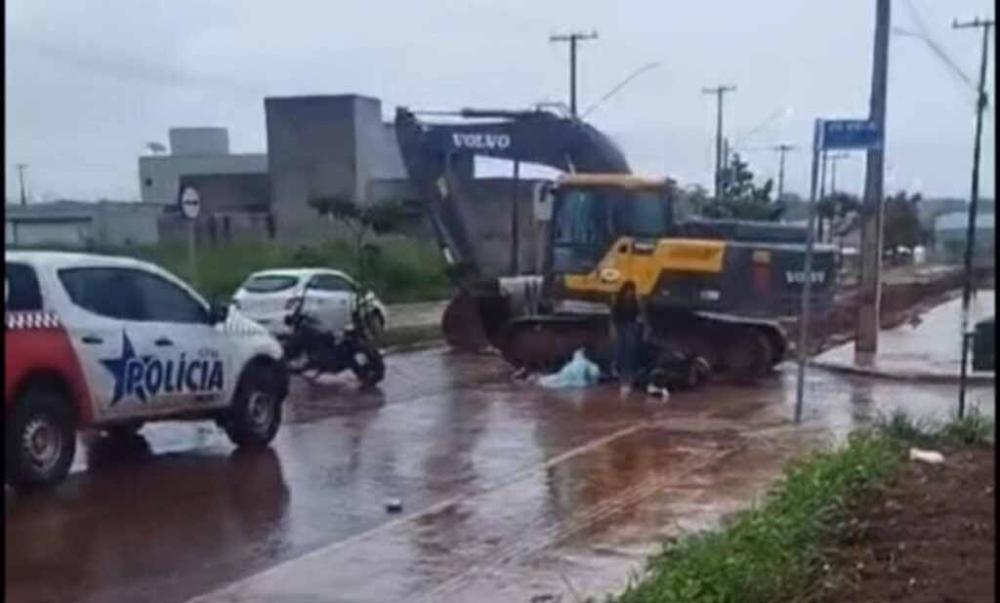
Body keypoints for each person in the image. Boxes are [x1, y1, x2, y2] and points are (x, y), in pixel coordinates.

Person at [611, 281, 643, 396]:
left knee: (631, 348)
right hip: (621, 326)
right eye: (628, 291)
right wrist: (613, 329)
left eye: (632, 291)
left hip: (631, 325)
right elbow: (614, 316)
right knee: (620, 349)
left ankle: (629, 374)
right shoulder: (618, 300)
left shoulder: (636, 301)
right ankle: (620, 372)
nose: (630, 293)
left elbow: (640, 315)